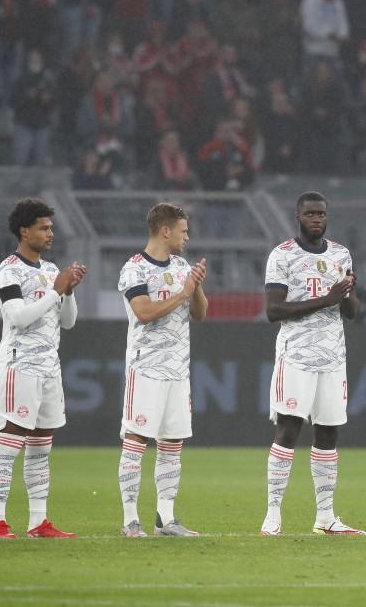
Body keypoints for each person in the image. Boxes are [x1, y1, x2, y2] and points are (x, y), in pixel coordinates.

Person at [260, 192, 362, 536]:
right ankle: (273, 515)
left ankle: (326, 517)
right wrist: (327, 299)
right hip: (296, 357)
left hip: (333, 358)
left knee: (328, 433)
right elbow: (273, 311)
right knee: (288, 430)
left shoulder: (340, 254)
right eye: (310, 213)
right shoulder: (282, 255)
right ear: (297, 216)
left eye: (321, 214)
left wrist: (347, 293)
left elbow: (351, 312)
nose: (316, 218)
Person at [0, 198, 86, 540]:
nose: (50, 233)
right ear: (24, 231)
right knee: (11, 440)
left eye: (51, 227)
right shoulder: (8, 270)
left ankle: (38, 522)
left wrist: (68, 293)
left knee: (42, 445)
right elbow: (16, 317)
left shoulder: (50, 271)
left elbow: (69, 323)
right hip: (20, 366)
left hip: (49, 368)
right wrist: (55, 291)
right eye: (43, 228)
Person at [117, 203, 208, 537]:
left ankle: (165, 519)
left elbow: (200, 313)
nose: (187, 237)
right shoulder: (135, 269)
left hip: (177, 370)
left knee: (172, 443)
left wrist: (195, 286)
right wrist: (183, 291)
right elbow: (143, 312)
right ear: (165, 230)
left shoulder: (182, 266)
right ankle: (130, 520)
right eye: (183, 230)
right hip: (146, 369)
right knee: (137, 440)